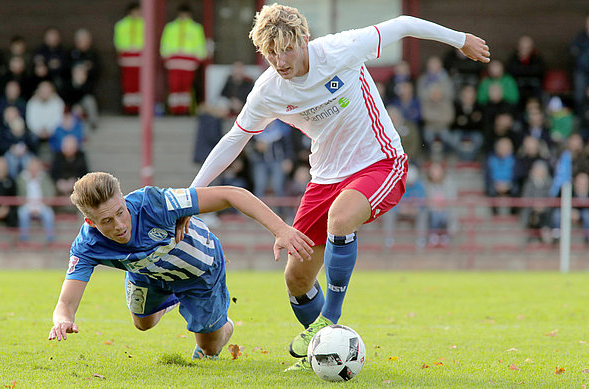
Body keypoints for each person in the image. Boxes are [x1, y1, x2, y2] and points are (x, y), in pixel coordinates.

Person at [188, 3, 490, 369]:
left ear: (304, 40)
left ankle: (330, 318)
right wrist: (190, 196)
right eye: (270, 53)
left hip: (380, 161)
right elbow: (234, 139)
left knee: (341, 217)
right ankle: (323, 349)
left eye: (285, 48)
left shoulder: (340, 49)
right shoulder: (267, 90)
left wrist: (461, 40)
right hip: (325, 177)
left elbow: (404, 22)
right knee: (296, 277)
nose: (279, 60)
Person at [47, 172, 314, 361]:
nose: (118, 224)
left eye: (120, 212)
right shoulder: (87, 245)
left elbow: (232, 195)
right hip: (148, 275)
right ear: (90, 222)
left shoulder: (156, 203)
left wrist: (281, 229)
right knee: (142, 324)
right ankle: (173, 301)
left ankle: (224, 325)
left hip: (199, 270)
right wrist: (63, 320)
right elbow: (66, 304)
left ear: (124, 199)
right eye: (106, 221)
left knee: (209, 349)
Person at [160, 3, 207, 115]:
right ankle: (174, 109)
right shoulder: (170, 27)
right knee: (174, 86)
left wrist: (198, 59)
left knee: (186, 86)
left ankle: (185, 109)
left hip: (189, 62)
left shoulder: (196, 28)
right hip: (174, 62)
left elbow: (200, 45)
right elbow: (164, 44)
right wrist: (166, 57)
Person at [16, 157, 56, 243]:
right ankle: (24, 239)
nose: (34, 169)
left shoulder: (45, 178)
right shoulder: (21, 178)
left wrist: (44, 203)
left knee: (49, 214)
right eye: (32, 167)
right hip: (26, 204)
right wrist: (26, 203)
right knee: (22, 214)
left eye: (36, 167)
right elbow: (18, 194)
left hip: (42, 204)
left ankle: (50, 239)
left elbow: (50, 192)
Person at [114, 2, 144, 114]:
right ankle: (129, 108)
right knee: (128, 84)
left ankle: (140, 108)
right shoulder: (121, 25)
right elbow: (118, 42)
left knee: (139, 84)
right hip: (127, 58)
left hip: (140, 58)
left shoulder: (144, 24)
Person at [570, 13, 589, 113]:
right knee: (579, 96)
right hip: (581, 71)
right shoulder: (579, 38)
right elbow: (573, 53)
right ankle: (580, 117)